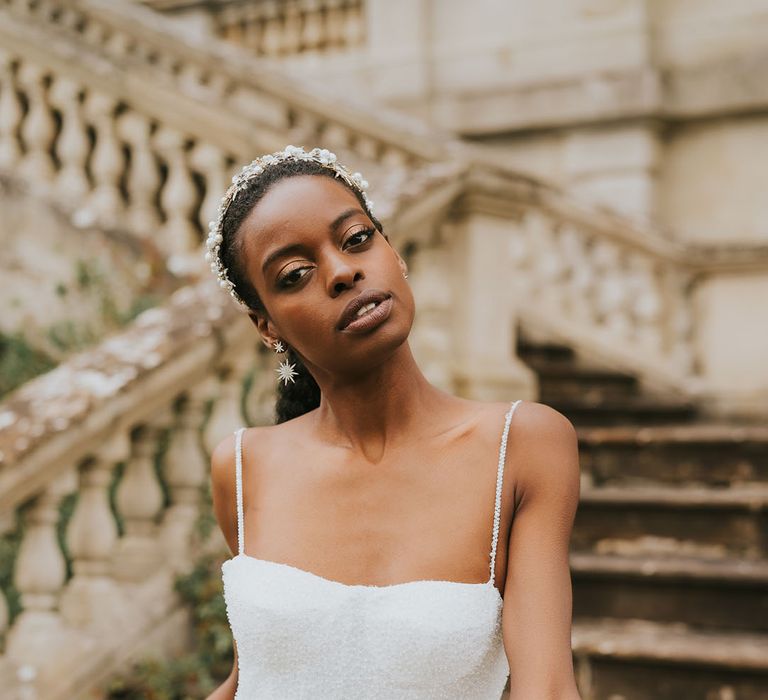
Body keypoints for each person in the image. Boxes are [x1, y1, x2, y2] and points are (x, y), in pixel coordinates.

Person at [204, 146, 582, 699]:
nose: (341, 272)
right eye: (295, 274)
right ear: (266, 326)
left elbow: (546, 689)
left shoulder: (522, 447)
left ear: (393, 252)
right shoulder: (242, 467)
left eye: (356, 239)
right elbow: (256, 677)